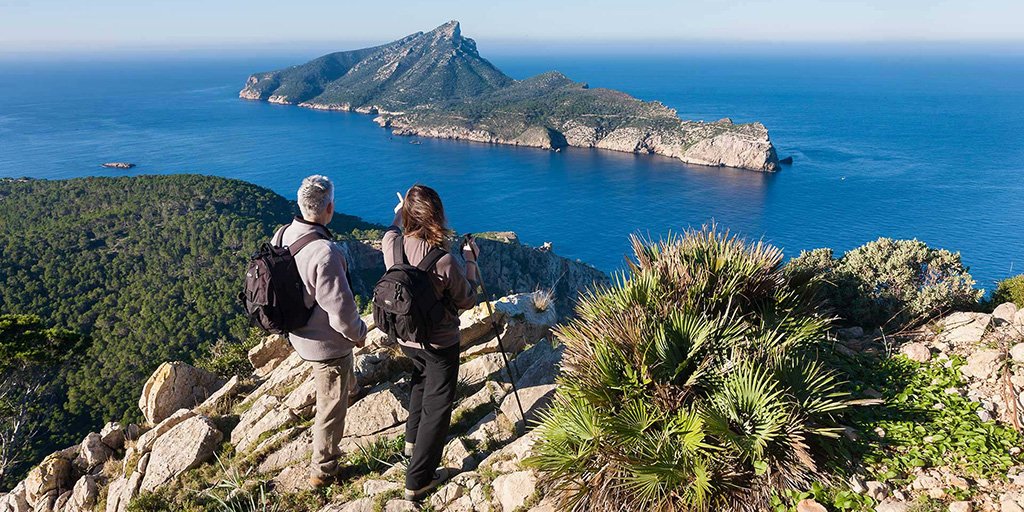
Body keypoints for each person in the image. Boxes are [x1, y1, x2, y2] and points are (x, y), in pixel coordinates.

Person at [383, 184, 480, 501]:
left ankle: (412, 441)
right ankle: (419, 479)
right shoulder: (444, 261)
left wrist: (399, 216)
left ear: (408, 215)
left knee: (420, 380)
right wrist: (471, 261)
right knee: (438, 408)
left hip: (405, 336)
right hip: (439, 343)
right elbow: (467, 300)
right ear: (437, 215)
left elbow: (393, 230)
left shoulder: (391, 244)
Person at [273, 175, 367, 489]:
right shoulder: (326, 253)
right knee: (329, 408)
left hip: (296, 333)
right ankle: (323, 470)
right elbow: (341, 311)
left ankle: (352, 389)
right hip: (325, 347)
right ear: (329, 209)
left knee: (340, 378)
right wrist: (359, 332)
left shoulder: (283, 234)